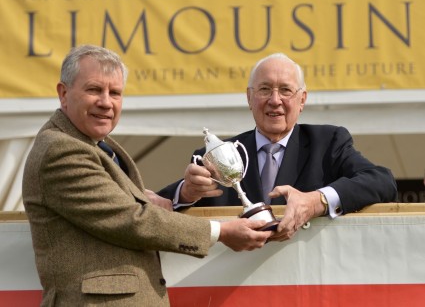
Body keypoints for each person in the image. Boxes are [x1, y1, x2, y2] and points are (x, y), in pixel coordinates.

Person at [22, 45, 272, 306]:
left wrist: (172, 196)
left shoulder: (92, 144)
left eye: (115, 93)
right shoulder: (61, 150)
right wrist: (222, 232)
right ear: (63, 94)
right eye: (94, 89)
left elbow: (118, 211)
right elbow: (131, 220)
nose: (106, 102)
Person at [158, 52, 398, 241]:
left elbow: (382, 181)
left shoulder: (328, 143)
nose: (275, 100)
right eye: (264, 89)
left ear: (302, 100)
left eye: (285, 90)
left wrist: (317, 202)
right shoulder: (214, 157)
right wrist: (187, 193)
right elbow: (154, 211)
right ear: (249, 98)